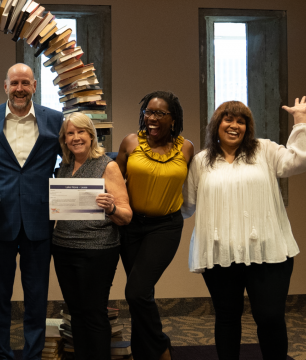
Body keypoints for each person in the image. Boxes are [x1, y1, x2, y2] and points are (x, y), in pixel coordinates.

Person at [182, 97, 306, 360]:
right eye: (229, 119)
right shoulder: (201, 161)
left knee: (270, 317)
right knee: (227, 318)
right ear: (216, 124)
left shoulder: (265, 150)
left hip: (267, 252)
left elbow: (298, 162)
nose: (234, 125)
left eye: (241, 121)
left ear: (248, 127)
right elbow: (186, 206)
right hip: (220, 255)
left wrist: (300, 122)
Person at [0, 63, 63, 360]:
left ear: (34, 85)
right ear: (5, 86)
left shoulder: (55, 119)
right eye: (14, 83)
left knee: (36, 297)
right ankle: (2, 353)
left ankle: (32, 354)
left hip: (40, 219)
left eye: (25, 82)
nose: (20, 88)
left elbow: (74, 156)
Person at [114, 90, 194, 360]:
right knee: (142, 294)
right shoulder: (130, 143)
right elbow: (114, 183)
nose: (152, 118)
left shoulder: (186, 148)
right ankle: (144, 354)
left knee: (136, 292)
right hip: (132, 227)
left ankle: (161, 346)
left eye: (160, 113)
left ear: (173, 119)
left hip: (166, 227)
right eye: (149, 112)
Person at [52, 113, 132, 360]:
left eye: (81, 132)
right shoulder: (63, 168)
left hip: (97, 250)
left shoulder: (107, 166)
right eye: (70, 133)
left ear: (91, 135)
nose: (76, 138)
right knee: (75, 312)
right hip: (64, 248)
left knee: (94, 312)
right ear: (64, 139)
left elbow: (126, 215)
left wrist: (111, 208)